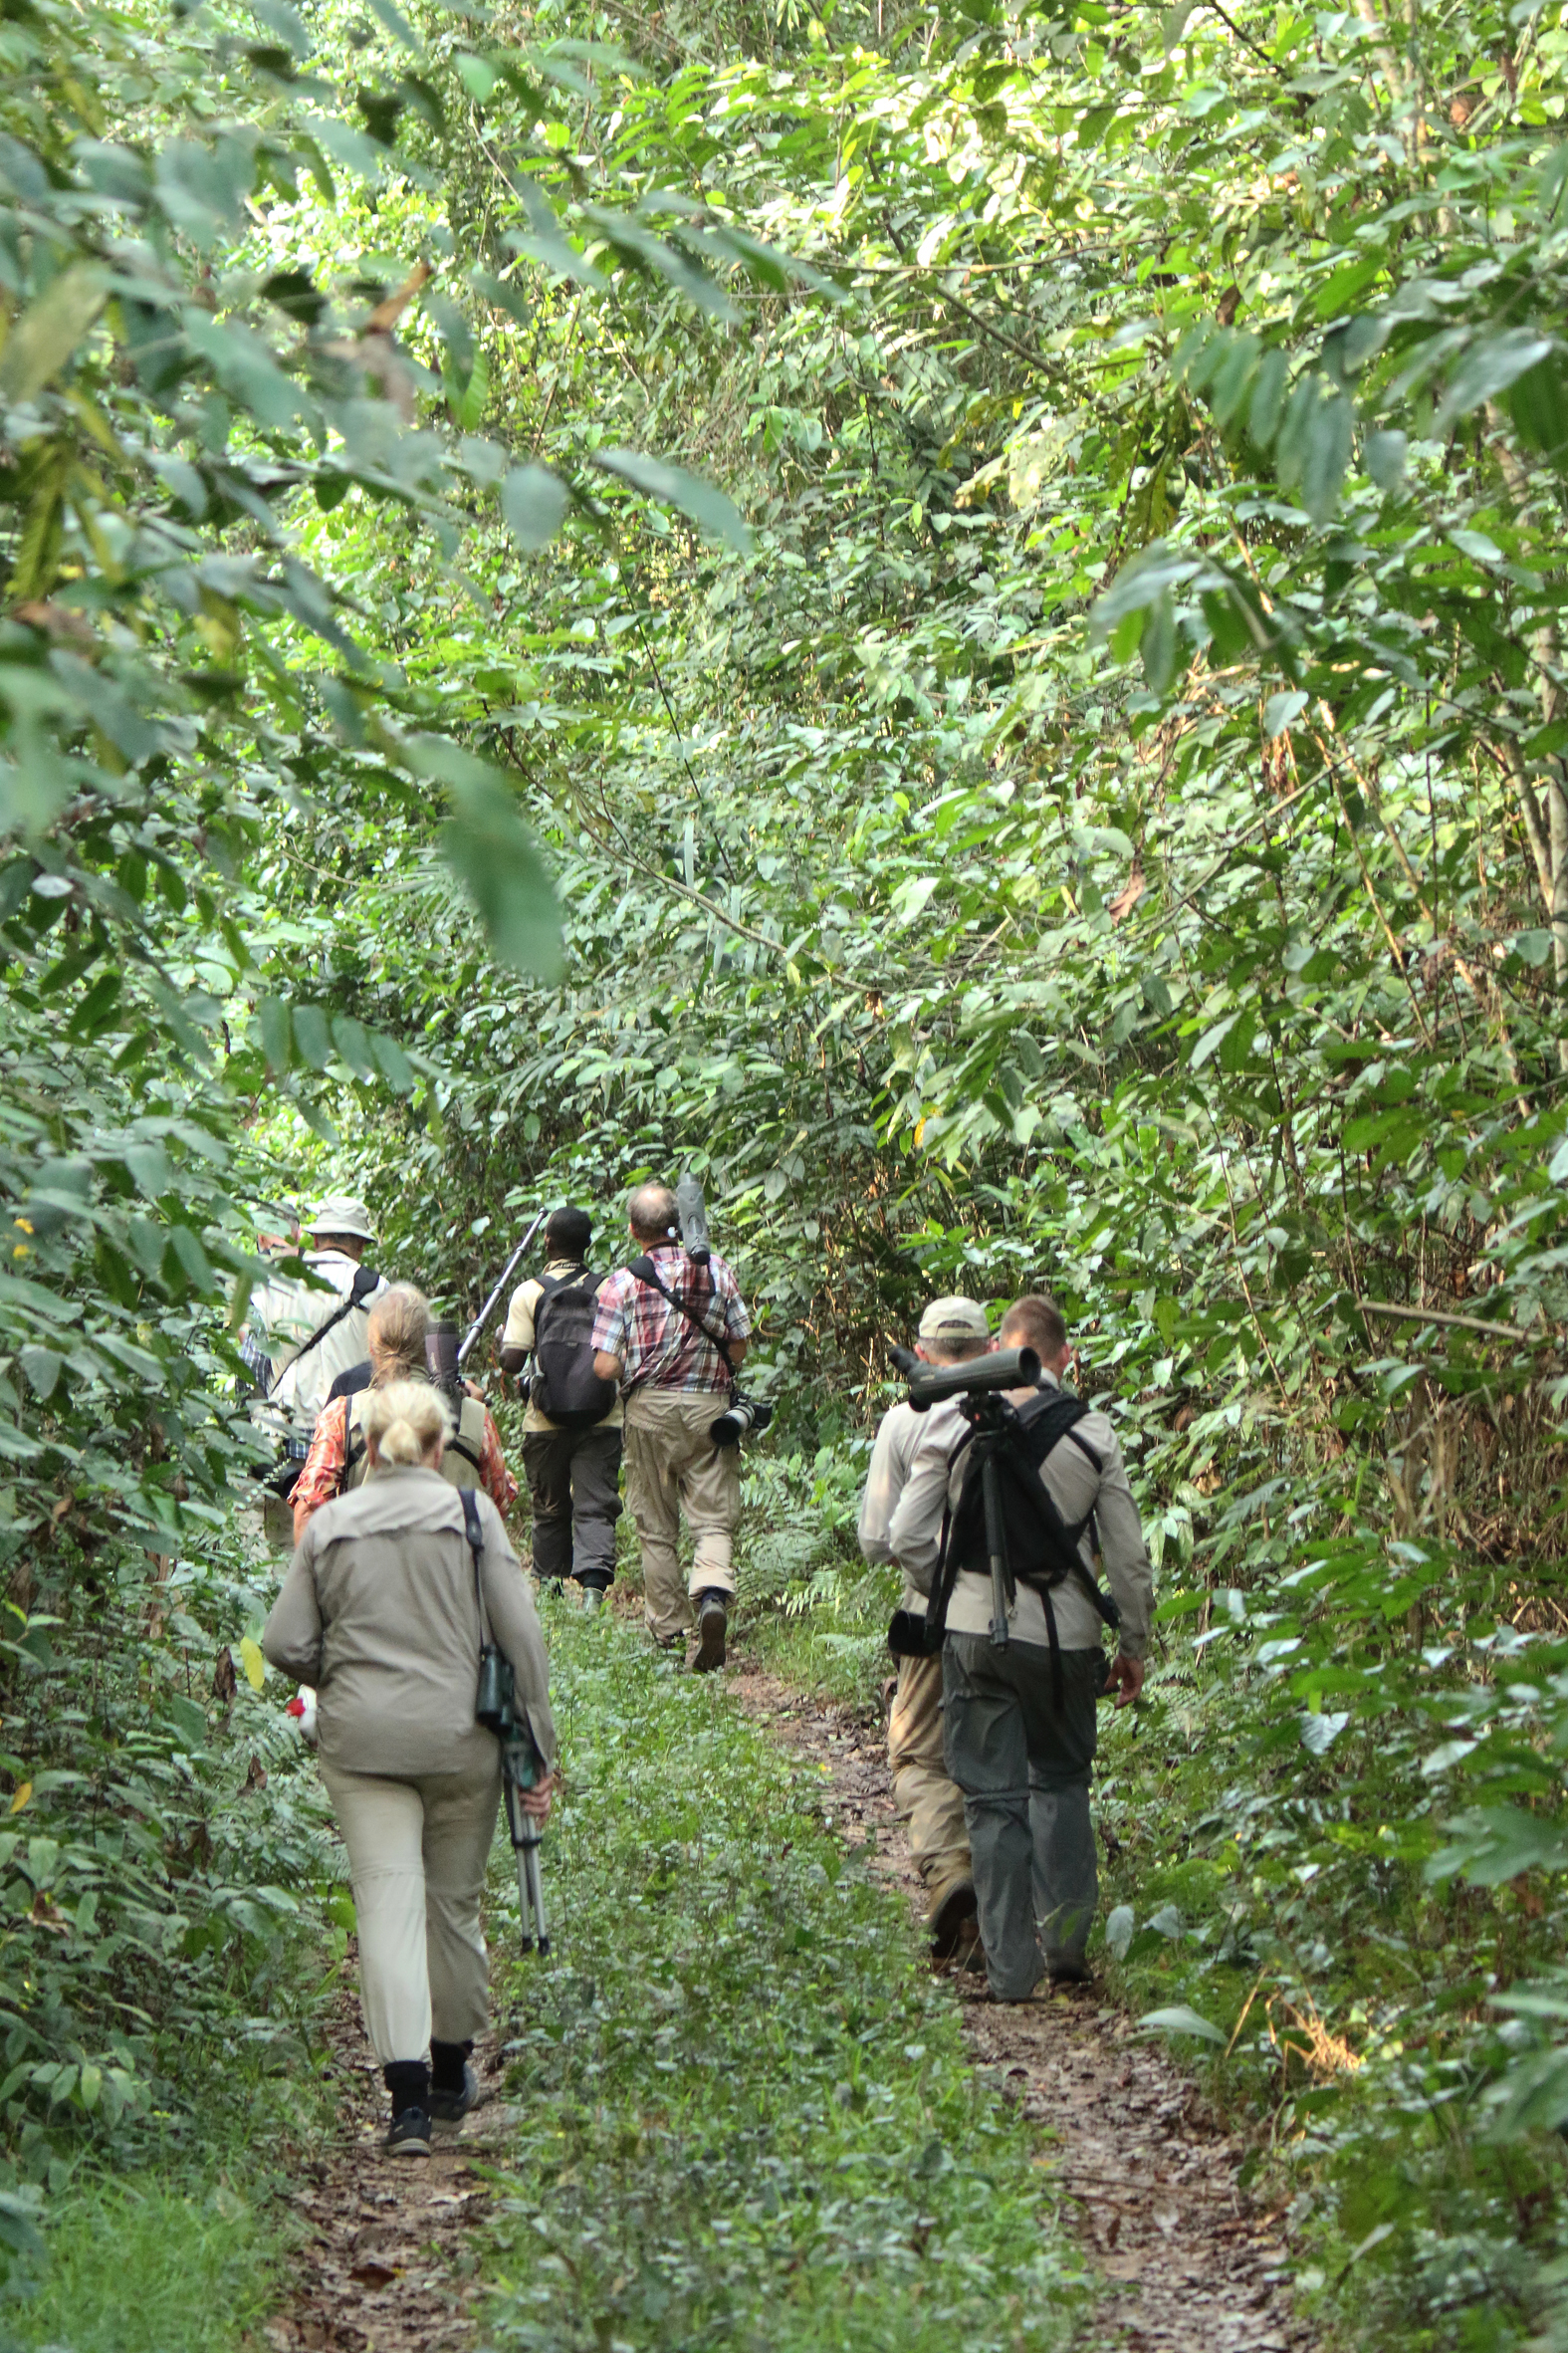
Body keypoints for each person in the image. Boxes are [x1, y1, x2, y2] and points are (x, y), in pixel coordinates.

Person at [262, 1380, 555, 2157]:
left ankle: (407, 2106)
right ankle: (452, 2071)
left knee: (387, 1903)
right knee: (451, 1905)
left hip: (363, 1747)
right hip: (461, 1740)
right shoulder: (473, 1516)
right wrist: (538, 1753)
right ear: (436, 1447)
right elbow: (522, 1641)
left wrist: (339, 1673)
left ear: (366, 1446)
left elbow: (283, 1641)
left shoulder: (331, 1526)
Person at [887, 1293, 1152, 2002]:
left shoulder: (954, 1421)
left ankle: (1009, 1972)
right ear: (1064, 1355)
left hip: (977, 1637)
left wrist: (950, 1590)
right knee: (1060, 1782)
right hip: (1068, 1639)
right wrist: (1133, 1642)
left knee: (991, 1800)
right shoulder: (1092, 1432)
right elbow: (1127, 1558)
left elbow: (905, 1535)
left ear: (999, 1349)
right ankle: (1065, 1947)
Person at [857, 1297, 989, 1959]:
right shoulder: (1024, 1406)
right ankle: (1008, 1915)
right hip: (1033, 1616)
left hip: (933, 1610)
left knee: (918, 1754)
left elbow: (877, 1539)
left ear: (921, 1351)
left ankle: (948, 1868)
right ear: (991, 1348)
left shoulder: (906, 1418)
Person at [589, 1182, 752, 1671]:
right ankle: (712, 1593)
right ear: (678, 1226)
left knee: (656, 1526)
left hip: (648, 1414)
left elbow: (604, 1366)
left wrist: (638, 1365)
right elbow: (740, 1346)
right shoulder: (716, 1269)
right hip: (709, 1410)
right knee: (713, 1516)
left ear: (633, 1230)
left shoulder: (619, 1284)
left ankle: (669, 1631)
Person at [290, 1284, 517, 1542]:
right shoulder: (475, 1416)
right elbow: (499, 1502)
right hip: (451, 1564)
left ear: (372, 1348)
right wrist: (470, 1423)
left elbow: (308, 1511)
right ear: (428, 1346)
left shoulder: (342, 1416)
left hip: (369, 1563)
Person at [498, 1206, 622, 1612]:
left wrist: (501, 1346)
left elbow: (513, 1361)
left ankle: (550, 1593)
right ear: (588, 1244)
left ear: (547, 1242)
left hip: (544, 1419)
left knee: (549, 1507)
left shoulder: (529, 1292)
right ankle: (592, 1597)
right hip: (603, 1416)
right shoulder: (609, 1289)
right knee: (596, 1505)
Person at [246, 1195, 388, 1474]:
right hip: (354, 1437)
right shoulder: (379, 1290)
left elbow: (252, 1361)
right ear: (361, 1246)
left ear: (315, 1239)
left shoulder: (276, 1281)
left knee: (293, 1502)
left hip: (287, 1437)